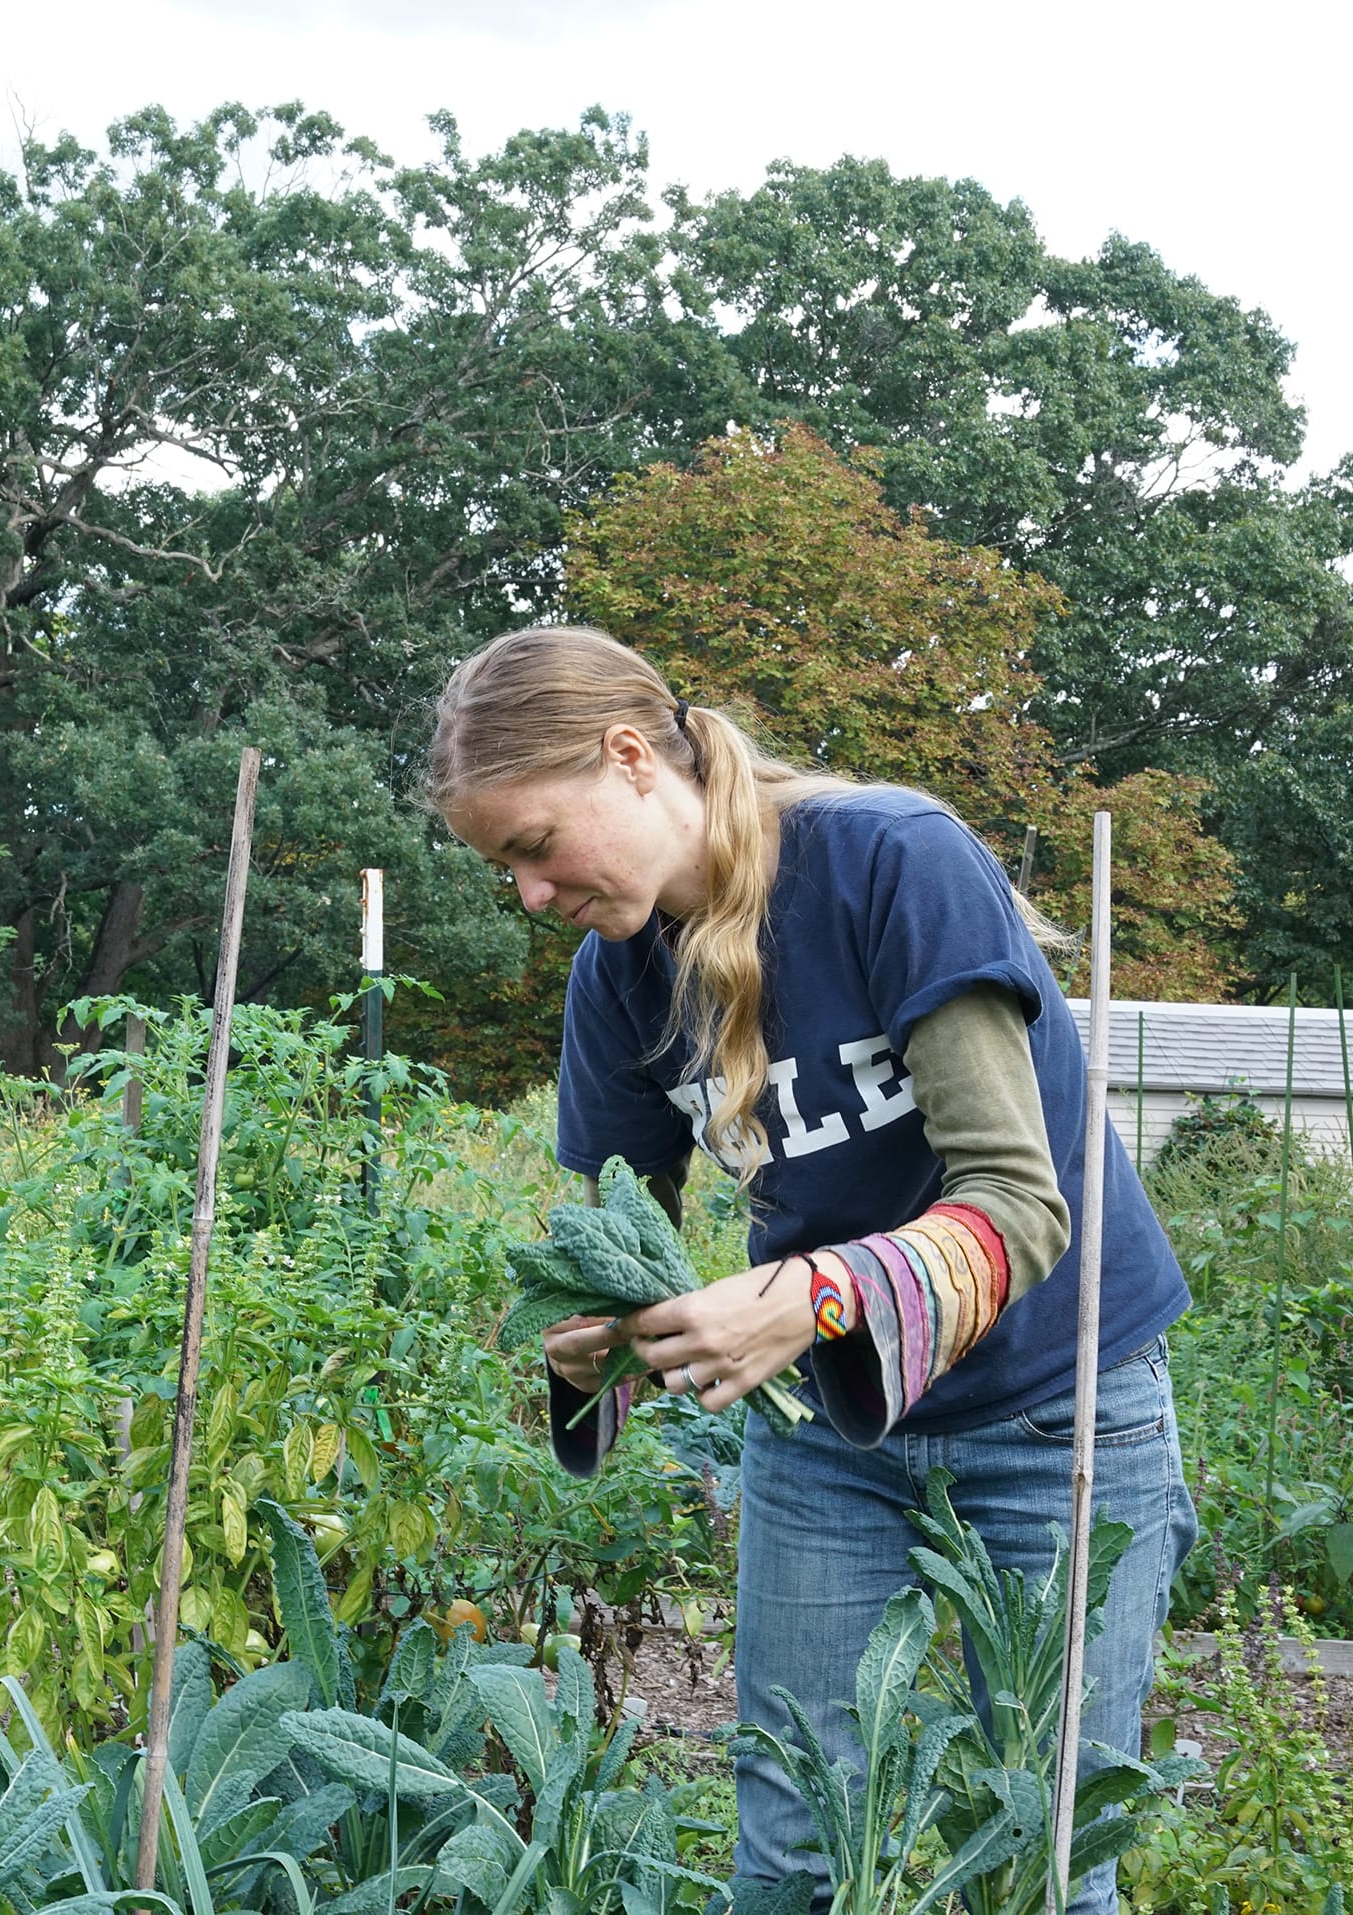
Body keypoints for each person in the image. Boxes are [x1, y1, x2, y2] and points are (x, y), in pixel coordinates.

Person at [427, 624, 1197, 1914]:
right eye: (508, 869)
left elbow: (1020, 1208)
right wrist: (601, 1332)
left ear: (627, 759)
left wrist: (804, 1298)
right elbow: (615, 1234)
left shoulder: (889, 864)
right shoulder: (619, 985)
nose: (531, 893)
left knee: (1047, 1854)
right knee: (792, 1847)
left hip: (1061, 1412)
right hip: (830, 1438)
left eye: (535, 846)